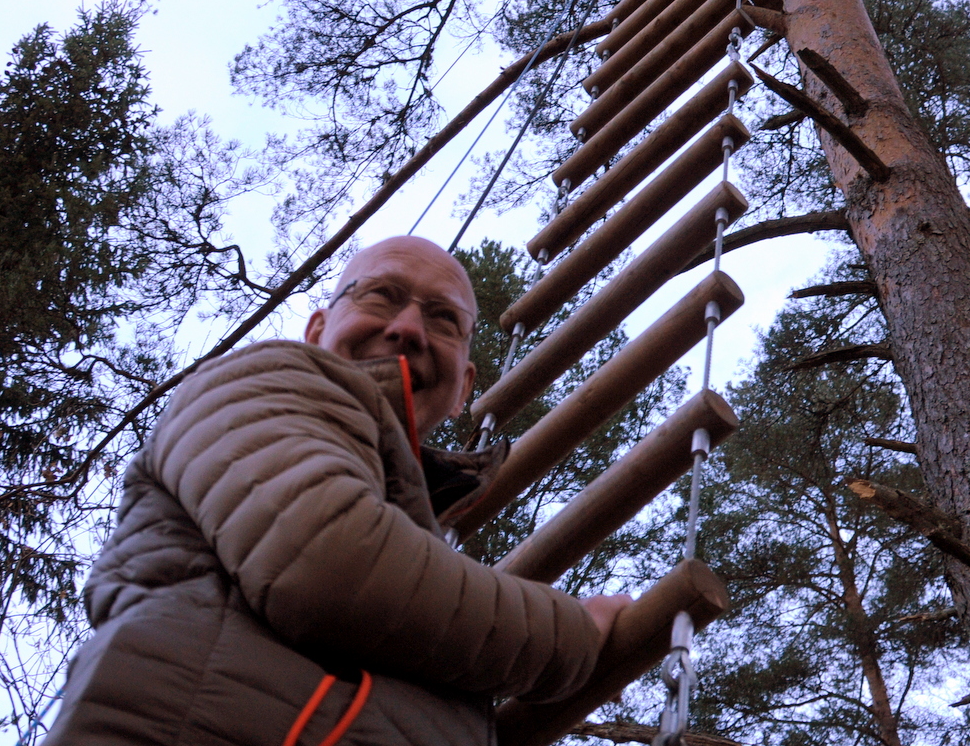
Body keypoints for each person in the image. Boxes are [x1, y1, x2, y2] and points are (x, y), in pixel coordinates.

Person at [43, 236, 631, 745]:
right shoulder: (261, 381)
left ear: (465, 390)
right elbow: (328, 560)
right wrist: (574, 634)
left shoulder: (408, 519)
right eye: (380, 295)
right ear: (317, 329)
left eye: (443, 319)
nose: (407, 329)